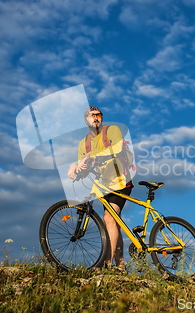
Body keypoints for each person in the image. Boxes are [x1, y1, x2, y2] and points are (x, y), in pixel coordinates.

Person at [67, 106, 132, 269]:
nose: (96, 118)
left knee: (109, 218)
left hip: (121, 180)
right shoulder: (84, 143)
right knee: (113, 223)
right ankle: (121, 265)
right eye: (92, 116)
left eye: (99, 115)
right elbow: (84, 165)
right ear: (85, 120)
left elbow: (117, 148)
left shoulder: (112, 130)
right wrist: (75, 166)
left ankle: (107, 265)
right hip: (104, 186)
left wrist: (91, 155)